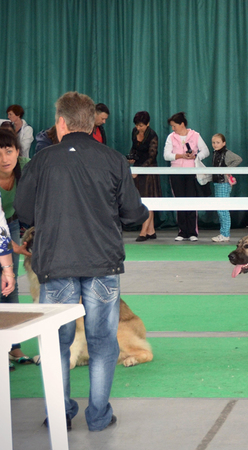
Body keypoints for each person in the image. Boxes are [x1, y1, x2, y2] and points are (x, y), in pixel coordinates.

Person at [15, 91, 149, 431]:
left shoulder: (40, 163)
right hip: (102, 263)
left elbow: (25, 212)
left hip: (55, 264)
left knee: (56, 340)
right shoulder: (114, 159)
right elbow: (133, 214)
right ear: (91, 124)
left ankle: (60, 414)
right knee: (103, 342)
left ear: (60, 123)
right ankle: (99, 416)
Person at [163, 112, 210, 241]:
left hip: (191, 172)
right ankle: (182, 231)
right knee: (180, 201)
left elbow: (205, 151)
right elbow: (166, 155)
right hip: (176, 173)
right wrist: (180, 156)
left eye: (174, 126)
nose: (173, 129)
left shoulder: (195, 136)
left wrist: (196, 157)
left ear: (182, 124)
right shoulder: (170, 137)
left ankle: (192, 232)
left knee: (191, 200)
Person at [0, 128, 23, 371]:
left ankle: (14, 346)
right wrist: (14, 248)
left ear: (18, 151)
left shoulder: (26, 168)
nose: (4, 158)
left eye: (9, 151)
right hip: (1, 226)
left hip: (12, 222)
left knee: (11, 285)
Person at [128, 111, 162, 241]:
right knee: (142, 199)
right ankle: (151, 230)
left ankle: (143, 231)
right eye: (137, 125)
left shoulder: (153, 135)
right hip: (137, 168)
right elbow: (134, 148)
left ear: (147, 124)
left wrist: (140, 170)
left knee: (148, 200)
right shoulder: (134, 132)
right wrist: (131, 158)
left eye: (141, 125)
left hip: (149, 170)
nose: (138, 128)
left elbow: (152, 156)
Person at [210, 133, 242, 242]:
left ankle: (225, 234)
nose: (215, 144)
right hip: (217, 182)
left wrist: (228, 169)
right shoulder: (215, 153)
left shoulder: (226, 153)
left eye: (218, 142)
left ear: (224, 143)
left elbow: (238, 159)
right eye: (213, 142)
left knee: (223, 209)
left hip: (223, 183)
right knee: (221, 209)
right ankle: (224, 233)